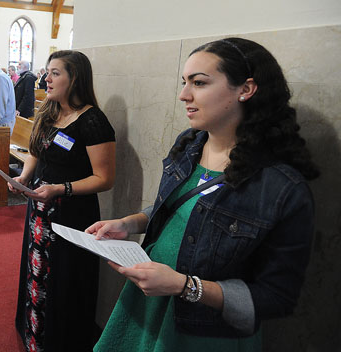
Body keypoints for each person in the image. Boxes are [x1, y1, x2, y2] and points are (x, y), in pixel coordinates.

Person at [87, 38, 319, 352]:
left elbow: (276, 297)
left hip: (202, 330)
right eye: (184, 82)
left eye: (199, 83)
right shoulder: (190, 144)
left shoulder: (280, 188)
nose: (184, 95)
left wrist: (186, 286)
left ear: (245, 89)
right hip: (147, 306)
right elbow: (176, 209)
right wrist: (130, 224)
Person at [9, 50, 116, 352]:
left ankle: (59, 342)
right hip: (40, 209)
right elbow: (35, 150)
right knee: (37, 271)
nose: (46, 78)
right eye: (47, 71)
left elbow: (104, 179)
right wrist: (25, 177)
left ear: (75, 78)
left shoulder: (93, 121)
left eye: (55, 73)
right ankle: (34, 332)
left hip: (72, 214)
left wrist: (61, 189)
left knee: (65, 281)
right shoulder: (49, 109)